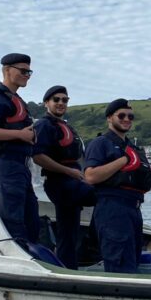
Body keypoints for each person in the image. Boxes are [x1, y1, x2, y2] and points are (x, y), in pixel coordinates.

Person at [83, 99, 151, 273]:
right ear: (109, 118)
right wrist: (123, 160)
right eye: (121, 115)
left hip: (134, 209)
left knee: (133, 260)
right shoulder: (100, 144)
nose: (126, 119)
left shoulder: (134, 148)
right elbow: (90, 176)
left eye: (130, 116)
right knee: (120, 264)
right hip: (113, 208)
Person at [0, 53, 39, 246]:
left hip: (21, 168)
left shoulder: (16, 100)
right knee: (12, 222)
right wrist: (20, 135)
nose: (27, 75)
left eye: (29, 72)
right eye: (22, 71)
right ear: (6, 70)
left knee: (31, 221)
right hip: (5, 167)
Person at [33, 85, 96, 268]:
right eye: (56, 100)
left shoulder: (65, 126)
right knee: (105, 198)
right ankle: (91, 247)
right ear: (47, 103)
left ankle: (68, 265)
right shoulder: (44, 125)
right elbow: (38, 156)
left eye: (65, 100)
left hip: (73, 180)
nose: (61, 103)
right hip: (60, 182)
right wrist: (69, 172)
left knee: (69, 230)